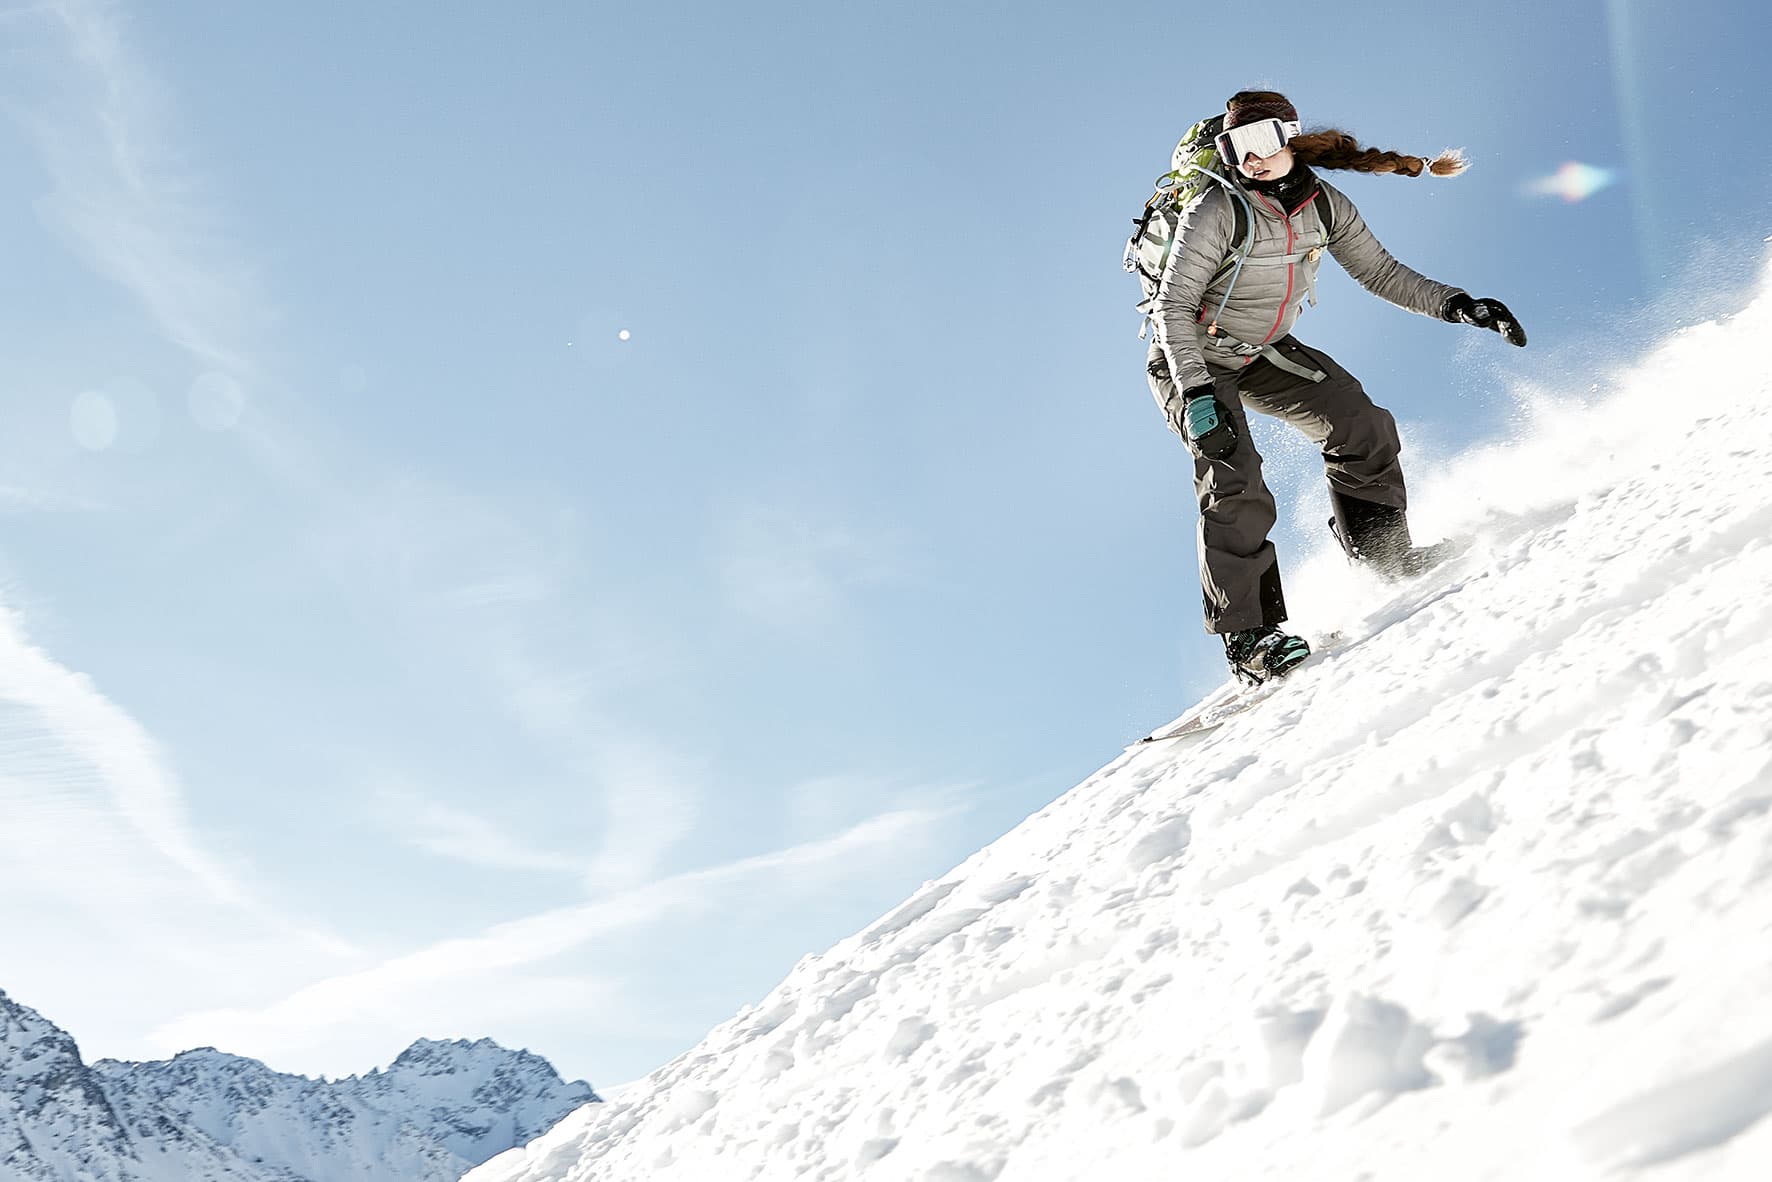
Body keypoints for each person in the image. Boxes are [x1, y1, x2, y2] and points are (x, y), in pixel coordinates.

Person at [1146, 90, 1526, 686]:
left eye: (1263, 142)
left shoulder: (1327, 207)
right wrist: (1196, 395)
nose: (1250, 158)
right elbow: (1171, 307)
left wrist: (1459, 305)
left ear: (1291, 138)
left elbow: (1381, 272)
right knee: (1232, 471)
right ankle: (1249, 639)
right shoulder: (1217, 209)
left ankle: (1385, 556)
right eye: (1235, 146)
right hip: (1190, 357)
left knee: (1361, 424)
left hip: (1262, 352)